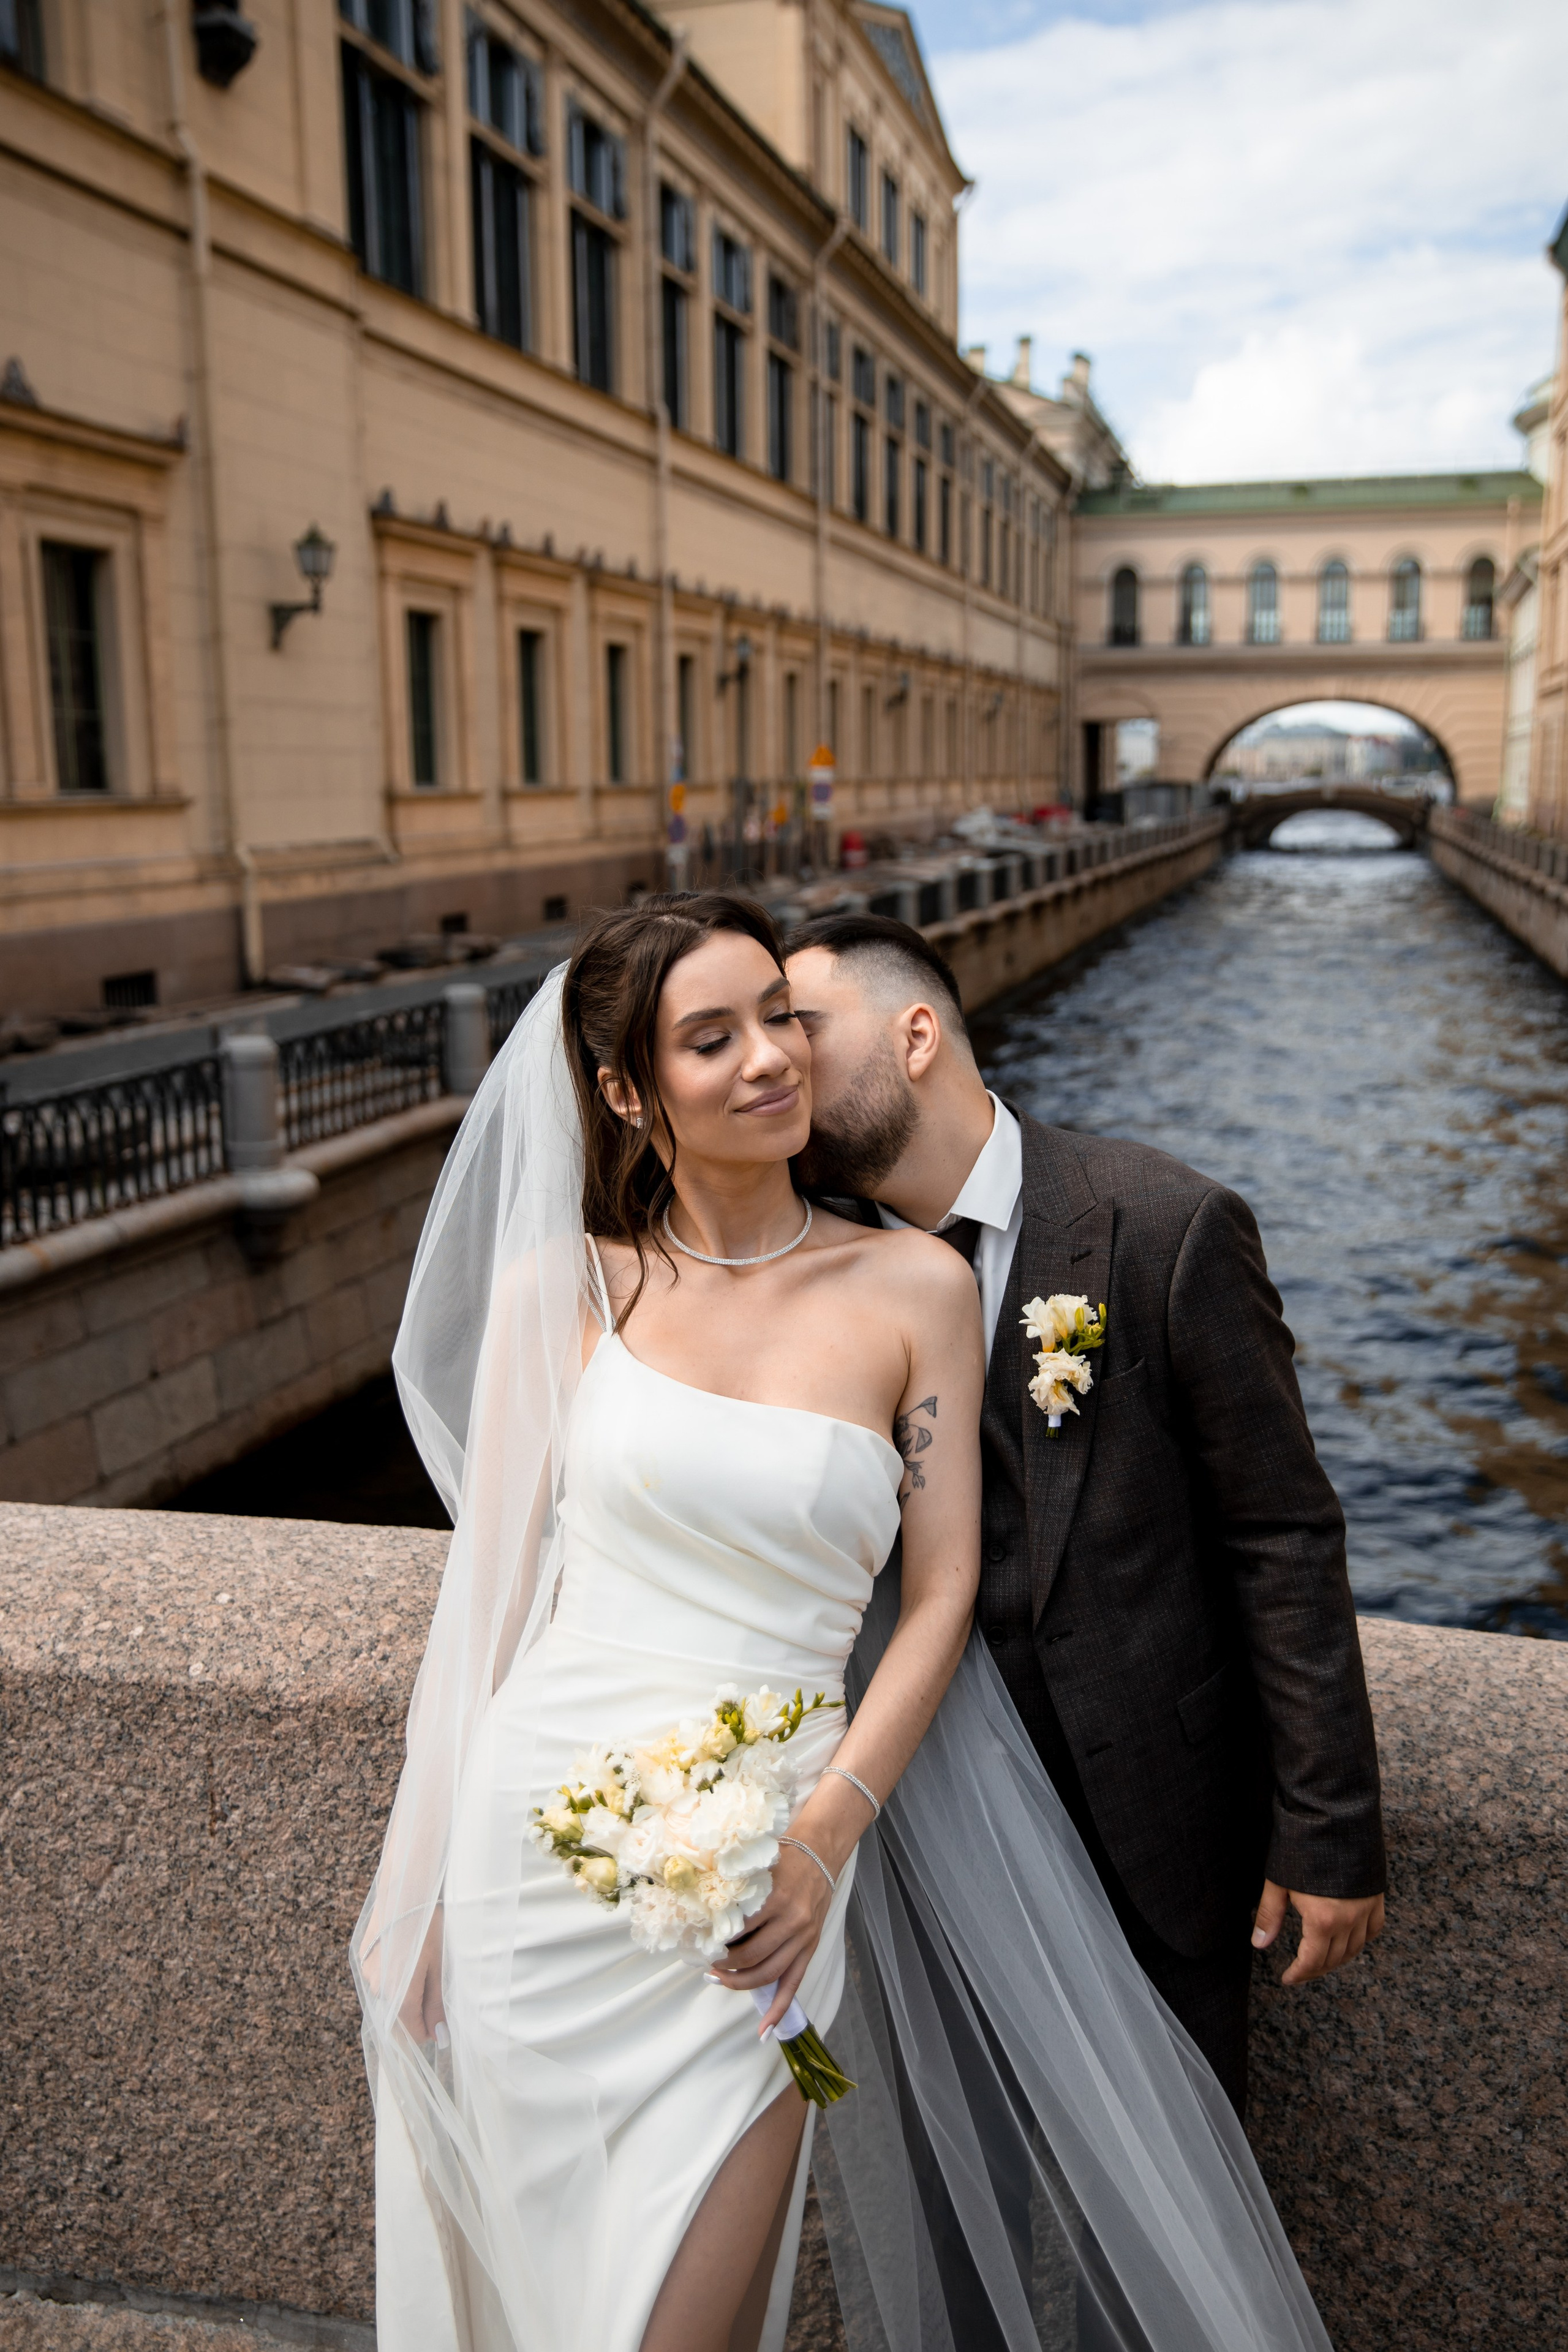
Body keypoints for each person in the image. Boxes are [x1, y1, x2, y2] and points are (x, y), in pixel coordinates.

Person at [355, 891, 1338, 2352]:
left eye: (780, 1017)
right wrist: (427, 1881)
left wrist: (822, 1833)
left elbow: (938, 1594)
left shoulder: (913, 1288)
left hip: (770, 1867)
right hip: (532, 1851)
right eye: (713, 1037)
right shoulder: (558, 1291)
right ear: (627, 1093)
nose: (768, 1059)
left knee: (687, 2314)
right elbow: (491, 1600)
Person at [786, 908, 1387, 2124]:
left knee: (1177, 2210)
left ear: (914, 1036)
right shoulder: (804, 1270)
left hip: (1156, 1828)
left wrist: (1325, 1828)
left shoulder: (1161, 1227)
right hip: (922, 1830)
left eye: (796, 1027)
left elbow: (1278, 1534)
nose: (771, 1064)